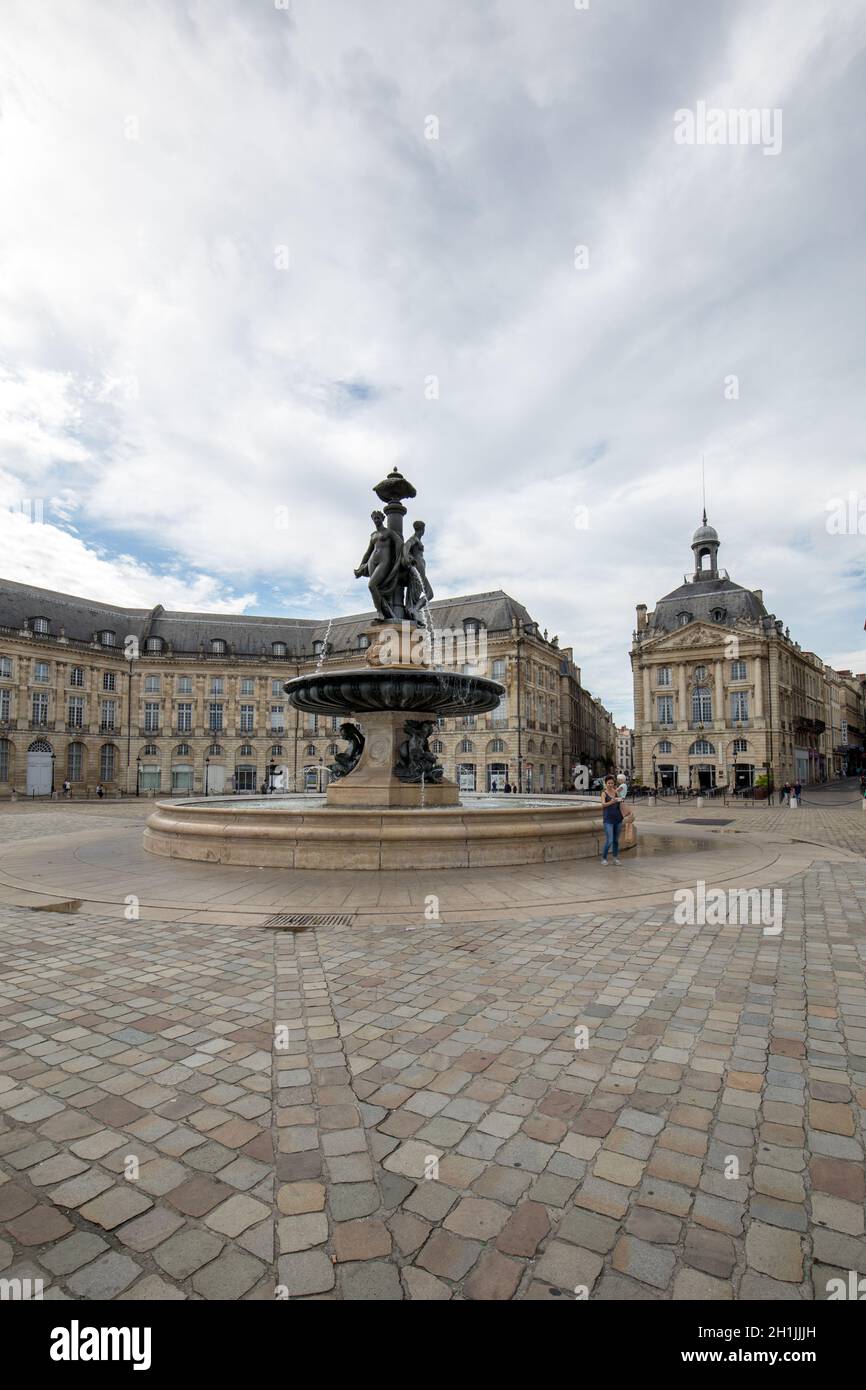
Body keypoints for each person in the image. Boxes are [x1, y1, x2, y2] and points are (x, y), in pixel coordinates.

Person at [600, 775, 625, 867]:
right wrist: (611, 802)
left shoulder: (615, 792)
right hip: (608, 820)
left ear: (614, 784)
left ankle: (615, 858)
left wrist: (620, 800)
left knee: (616, 840)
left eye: (612, 783)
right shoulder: (604, 793)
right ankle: (604, 858)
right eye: (609, 783)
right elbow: (603, 804)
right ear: (606, 784)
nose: (610, 784)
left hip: (618, 819)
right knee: (609, 840)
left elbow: (621, 803)